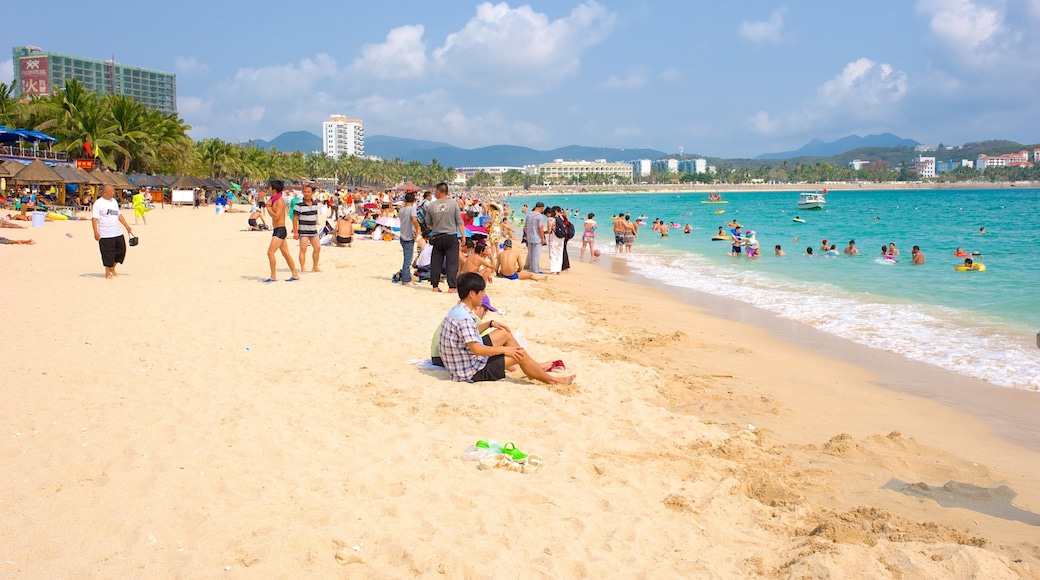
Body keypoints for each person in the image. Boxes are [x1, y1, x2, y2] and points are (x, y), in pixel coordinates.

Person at [438, 272, 574, 385]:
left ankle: (533, 368)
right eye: (482, 292)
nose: (483, 295)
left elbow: (468, 335)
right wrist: (505, 349)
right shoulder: (465, 319)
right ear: (472, 294)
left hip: (463, 360)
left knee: (504, 333)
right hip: (470, 371)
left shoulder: (458, 309)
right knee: (519, 353)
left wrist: (490, 323)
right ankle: (552, 380)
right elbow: (477, 349)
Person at [427, 182, 466, 292]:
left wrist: (436, 227)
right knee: (452, 262)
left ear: (439, 192)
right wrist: (463, 236)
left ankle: (435, 286)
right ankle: (452, 287)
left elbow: (428, 223)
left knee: (436, 262)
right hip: (450, 236)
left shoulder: (431, 206)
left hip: (438, 236)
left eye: (435, 191)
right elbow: (459, 222)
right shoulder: (453, 204)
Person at [91, 184, 132, 279]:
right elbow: (94, 219)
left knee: (121, 251)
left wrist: (126, 225)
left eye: (113, 191)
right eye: (111, 191)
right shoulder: (98, 203)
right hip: (105, 234)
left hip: (117, 232)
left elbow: (119, 215)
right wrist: (95, 232)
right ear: (105, 193)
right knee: (108, 253)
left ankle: (113, 267)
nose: (113, 193)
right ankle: (107, 272)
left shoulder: (114, 201)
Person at [263, 180, 300, 283]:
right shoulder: (274, 200)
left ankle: (273, 276)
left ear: (274, 189)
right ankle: (295, 274)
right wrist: (269, 206)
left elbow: (276, 215)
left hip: (280, 230)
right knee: (285, 253)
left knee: (270, 253)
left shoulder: (279, 201)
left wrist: (268, 207)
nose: (268, 189)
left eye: (270, 187)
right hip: (277, 229)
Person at [293, 184, 321, 273]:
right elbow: (295, 219)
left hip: (313, 230)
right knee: (303, 249)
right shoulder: (299, 205)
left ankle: (315, 266)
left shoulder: (315, 203)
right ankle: (302, 268)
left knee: (317, 248)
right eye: (305, 192)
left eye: (308, 192)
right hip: (304, 231)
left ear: (312, 193)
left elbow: (315, 215)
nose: (306, 194)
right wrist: (295, 232)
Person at [398, 192, 422, 286]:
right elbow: (414, 219)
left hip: (402, 235)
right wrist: (417, 229)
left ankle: (406, 276)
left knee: (406, 258)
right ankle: (406, 280)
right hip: (408, 237)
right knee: (408, 260)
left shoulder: (402, 210)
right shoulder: (412, 209)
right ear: (414, 200)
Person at [524, 202, 547, 274]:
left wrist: (527, 235)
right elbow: (540, 227)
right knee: (536, 254)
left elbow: (525, 227)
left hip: (530, 236)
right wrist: (543, 238)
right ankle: (536, 270)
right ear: (541, 208)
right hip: (537, 237)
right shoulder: (539, 216)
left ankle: (531, 268)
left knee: (531, 254)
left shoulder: (529, 214)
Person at [547, 207, 565, 274]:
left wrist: (544, 232)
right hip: (561, 238)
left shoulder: (550, 219)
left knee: (553, 253)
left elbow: (549, 231)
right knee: (559, 253)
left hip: (553, 238)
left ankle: (553, 270)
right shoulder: (561, 218)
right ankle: (558, 270)